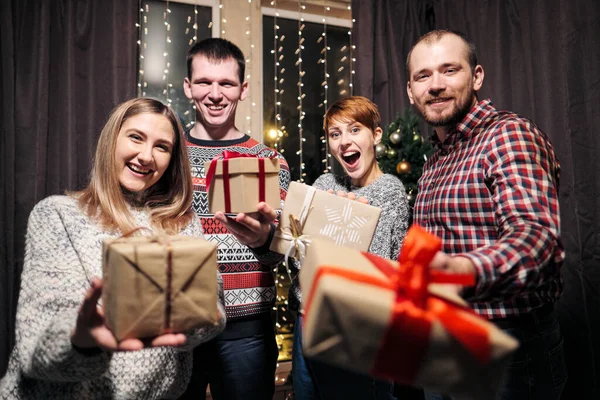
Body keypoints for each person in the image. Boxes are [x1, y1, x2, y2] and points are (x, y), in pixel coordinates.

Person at [0, 97, 226, 399]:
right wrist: (81, 339)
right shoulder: (57, 215)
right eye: (136, 137)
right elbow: (35, 350)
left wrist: (191, 317)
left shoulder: (183, 225)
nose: (146, 156)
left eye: (162, 147)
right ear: (111, 140)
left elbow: (212, 312)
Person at [405, 30, 567, 399]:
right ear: (410, 90)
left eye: (450, 70)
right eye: (423, 76)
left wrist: (465, 270)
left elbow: (536, 238)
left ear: (476, 76)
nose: (436, 85)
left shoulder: (507, 135)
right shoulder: (434, 163)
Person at [180, 38, 291, 400]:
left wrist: (264, 241)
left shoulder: (269, 162)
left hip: (248, 330)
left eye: (226, 83)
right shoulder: (167, 156)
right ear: (188, 87)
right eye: (204, 82)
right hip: (180, 321)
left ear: (242, 89)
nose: (215, 93)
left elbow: (285, 251)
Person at [290, 96, 411, 400]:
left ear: (376, 135)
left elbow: (388, 268)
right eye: (335, 134)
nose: (345, 142)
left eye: (355, 130)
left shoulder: (391, 192)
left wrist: (352, 225)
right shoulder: (323, 185)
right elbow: (298, 260)